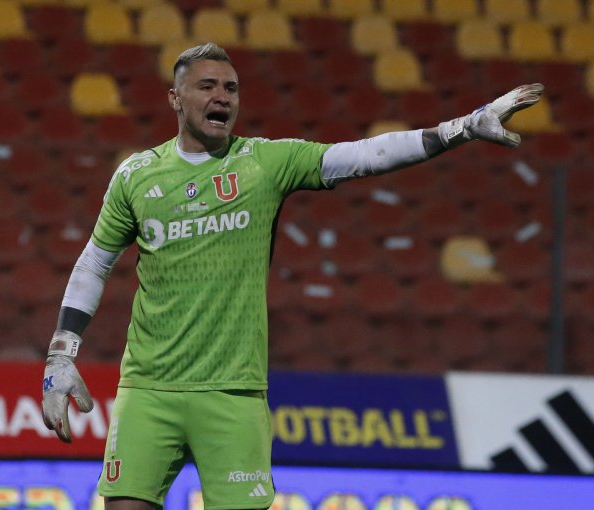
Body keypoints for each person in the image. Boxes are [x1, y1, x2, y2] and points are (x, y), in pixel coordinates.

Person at [41, 42, 543, 510]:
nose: (222, 97)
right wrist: (61, 356)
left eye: (231, 88)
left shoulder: (265, 163)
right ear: (175, 98)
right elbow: (94, 263)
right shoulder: (135, 175)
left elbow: (366, 155)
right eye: (207, 86)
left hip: (233, 395)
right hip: (148, 390)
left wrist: (461, 127)